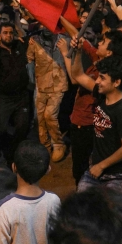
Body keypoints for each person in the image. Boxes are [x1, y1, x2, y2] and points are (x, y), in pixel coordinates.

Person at [65, 54, 122, 193]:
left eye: (102, 78)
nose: (97, 81)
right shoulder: (102, 95)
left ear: (116, 82)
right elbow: (78, 75)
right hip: (96, 169)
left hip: (118, 175)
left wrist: (101, 166)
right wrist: (78, 50)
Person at [0, 22, 31, 163]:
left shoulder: (20, 46)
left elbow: (33, 36)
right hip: (4, 98)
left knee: (22, 126)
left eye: (11, 33)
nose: (8, 36)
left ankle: (14, 156)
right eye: (5, 33)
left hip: (22, 96)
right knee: (0, 127)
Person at [27, 26, 69, 163]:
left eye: (48, 25)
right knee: (39, 117)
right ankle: (44, 144)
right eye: (42, 24)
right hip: (41, 84)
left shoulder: (64, 41)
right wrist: (32, 81)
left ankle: (58, 144)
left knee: (49, 115)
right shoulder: (35, 41)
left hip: (58, 84)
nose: (45, 28)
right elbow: (30, 60)